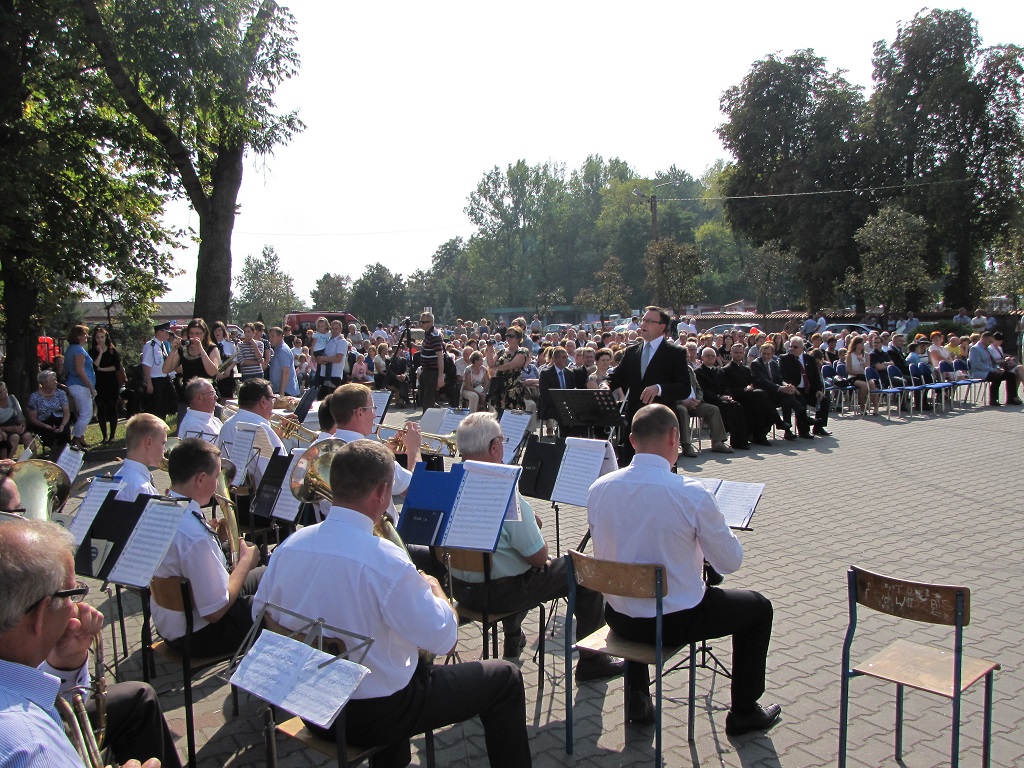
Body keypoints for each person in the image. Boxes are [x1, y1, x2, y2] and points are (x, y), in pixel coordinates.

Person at [253, 440, 531, 768]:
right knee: (506, 679)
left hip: (312, 706)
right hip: (374, 715)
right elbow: (445, 640)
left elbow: (261, 615)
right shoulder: (386, 560)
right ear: (383, 492)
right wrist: (436, 591)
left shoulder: (289, 546)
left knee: (387, 663)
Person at [587, 404, 780, 733]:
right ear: (675, 437)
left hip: (619, 618)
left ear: (632, 441)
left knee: (635, 582)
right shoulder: (691, 493)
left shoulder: (598, 488)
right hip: (675, 622)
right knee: (760, 608)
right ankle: (744, 711)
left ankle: (638, 696)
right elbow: (730, 562)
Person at [450, 413, 623, 678]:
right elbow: (539, 558)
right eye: (503, 441)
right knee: (583, 571)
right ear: (495, 447)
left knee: (510, 560)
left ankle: (512, 637)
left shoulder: (449, 483)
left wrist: (526, 517)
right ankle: (592, 662)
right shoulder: (501, 488)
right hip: (499, 594)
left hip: (461, 589)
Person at [0, 514, 179, 768]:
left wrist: (63, 662)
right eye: (72, 594)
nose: (77, 609)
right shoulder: (34, 749)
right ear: (40, 614)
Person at [152, 438, 263, 657]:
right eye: (217, 476)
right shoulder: (196, 537)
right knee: (268, 601)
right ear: (201, 479)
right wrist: (245, 562)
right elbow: (215, 611)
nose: (221, 484)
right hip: (200, 636)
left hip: (169, 625)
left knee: (264, 574)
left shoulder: (159, 508)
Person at [607, 306, 695, 464]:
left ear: (662, 327)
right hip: (635, 422)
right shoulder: (631, 352)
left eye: (649, 321)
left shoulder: (675, 353)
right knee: (630, 470)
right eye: (643, 320)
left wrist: (659, 388)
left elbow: (683, 388)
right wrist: (605, 385)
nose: (643, 324)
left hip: (660, 424)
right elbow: (617, 377)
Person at [696, 348, 749, 450]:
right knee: (725, 407)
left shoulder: (719, 370)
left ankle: (739, 441)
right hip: (709, 399)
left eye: (712, 356)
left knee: (737, 406)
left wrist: (728, 395)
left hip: (723, 398)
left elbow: (725, 386)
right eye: (707, 356)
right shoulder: (698, 372)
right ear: (702, 357)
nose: (710, 358)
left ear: (716, 357)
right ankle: (719, 440)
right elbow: (703, 390)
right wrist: (719, 397)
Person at [114, 414, 168, 501]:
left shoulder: (118, 476)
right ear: (148, 443)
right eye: (163, 443)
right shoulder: (142, 489)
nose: (165, 450)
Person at [64, 324, 96, 451]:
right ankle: (75, 439)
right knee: (86, 414)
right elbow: (80, 371)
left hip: (76, 384)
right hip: (80, 385)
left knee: (82, 413)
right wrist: (90, 386)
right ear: (78, 336)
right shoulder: (78, 350)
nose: (86, 336)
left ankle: (81, 438)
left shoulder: (72, 349)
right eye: (84, 334)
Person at [90, 325, 123, 444]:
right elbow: (94, 366)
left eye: (102, 337)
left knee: (111, 409)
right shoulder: (92, 351)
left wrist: (102, 369)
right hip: (98, 384)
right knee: (101, 410)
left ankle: (112, 436)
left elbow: (116, 366)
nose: (100, 340)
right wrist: (99, 353)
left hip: (111, 383)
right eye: (98, 337)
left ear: (106, 338)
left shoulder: (112, 351)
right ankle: (104, 436)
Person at [968, 331, 1020, 405]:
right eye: (989, 341)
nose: (990, 343)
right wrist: (993, 370)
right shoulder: (975, 349)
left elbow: (993, 362)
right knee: (996, 377)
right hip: (978, 372)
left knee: (1010, 375)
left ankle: (1011, 398)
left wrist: (998, 368)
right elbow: (977, 364)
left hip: (990, 371)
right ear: (984, 339)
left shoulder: (987, 349)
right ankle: (993, 400)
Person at [27, 370, 71, 456]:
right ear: (45, 383)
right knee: (48, 436)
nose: (56, 382)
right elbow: (33, 418)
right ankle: (56, 455)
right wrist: (46, 426)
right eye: (53, 380)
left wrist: (62, 425)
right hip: (43, 423)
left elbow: (67, 412)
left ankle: (64, 455)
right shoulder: (34, 397)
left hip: (60, 420)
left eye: (55, 380)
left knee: (64, 433)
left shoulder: (61, 393)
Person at [488, 326, 530, 416]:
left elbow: (511, 365)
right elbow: (491, 364)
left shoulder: (522, 352)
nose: (508, 338)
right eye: (507, 335)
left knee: (510, 415)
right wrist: (489, 350)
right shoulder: (501, 351)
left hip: (513, 387)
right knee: (499, 414)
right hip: (500, 386)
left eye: (511, 336)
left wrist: (497, 368)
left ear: (518, 338)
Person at [141, 321, 173, 417]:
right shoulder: (150, 345)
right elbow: (146, 364)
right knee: (156, 408)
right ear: (159, 332)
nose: (168, 335)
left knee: (165, 406)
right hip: (156, 380)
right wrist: (149, 383)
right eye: (166, 332)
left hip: (164, 378)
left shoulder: (162, 345)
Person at [417, 312, 445, 412]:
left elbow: (440, 357)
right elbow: (428, 348)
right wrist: (415, 347)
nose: (421, 324)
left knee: (428, 399)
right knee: (423, 398)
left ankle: (427, 421)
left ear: (430, 322)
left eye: (423, 322)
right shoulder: (427, 333)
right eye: (421, 322)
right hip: (425, 370)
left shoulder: (434, 335)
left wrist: (440, 376)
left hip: (432, 371)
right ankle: (438, 411)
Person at [0, 381, 32, 460]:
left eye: (5, 389)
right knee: (15, 437)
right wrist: (10, 428)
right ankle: (8, 462)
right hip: (4, 429)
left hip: (17, 426)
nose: (5, 392)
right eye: (1, 391)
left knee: (28, 437)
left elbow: (20, 415)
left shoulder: (12, 398)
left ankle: (30, 461)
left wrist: (22, 426)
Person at [267, 326, 300, 397]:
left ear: (281, 336)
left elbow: (286, 372)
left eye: (273, 336)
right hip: (280, 390)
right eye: (269, 336)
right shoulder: (277, 349)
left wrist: (281, 393)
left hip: (286, 392)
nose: (270, 339)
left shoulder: (283, 350)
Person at [211, 321, 238, 402]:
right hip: (215, 374)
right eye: (215, 331)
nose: (217, 332)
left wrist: (228, 369)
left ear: (223, 331)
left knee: (227, 399)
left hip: (227, 374)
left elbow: (235, 359)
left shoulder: (230, 344)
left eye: (219, 330)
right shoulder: (211, 345)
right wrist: (216, 373)